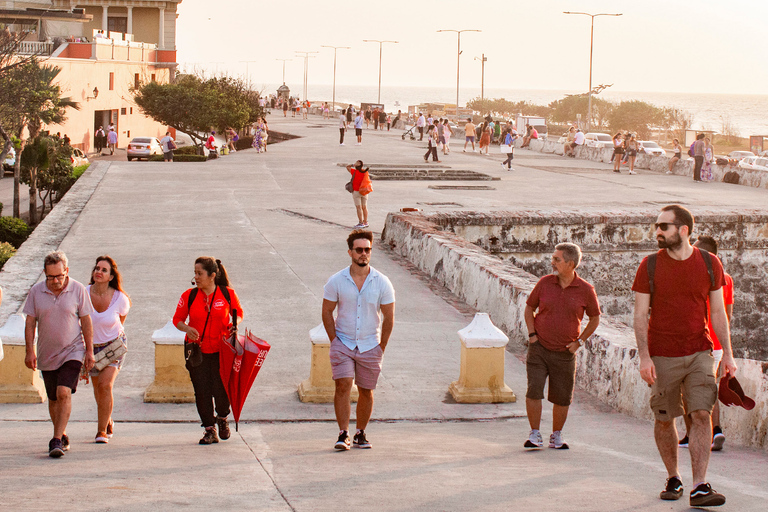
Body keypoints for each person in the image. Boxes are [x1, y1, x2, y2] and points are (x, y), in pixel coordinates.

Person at [632, 205, 737, 508]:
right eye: (657, 226)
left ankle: (700, 486)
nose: (658, 232)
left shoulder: (709, 263)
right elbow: (640, 316)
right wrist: (644, 357)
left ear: (684, 230)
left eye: (663, 226)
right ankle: (673, 476)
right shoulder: (649, 266)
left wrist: (727, 355)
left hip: (700, 352)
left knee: (701, 414)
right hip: (662, 354)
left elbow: (718, 312)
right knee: (665, 419)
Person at [322, 230, 395, 451]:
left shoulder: (382, 282)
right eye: (359, 250)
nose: (364, 254)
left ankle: (360, 433)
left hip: (370, 344)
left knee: (366, 390)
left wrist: (381, 346)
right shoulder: (336, 280)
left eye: (367, 250)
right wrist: (334, 340)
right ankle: (343, 433)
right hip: (343, 342)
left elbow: (389, 317)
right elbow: (327, 311)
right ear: (350, 252)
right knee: (343, 385)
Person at [523, 243, 600, 451]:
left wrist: (579, 342)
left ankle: (556, 435)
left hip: (565, 353)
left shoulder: (585, 290)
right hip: (539, 348)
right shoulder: (545, 283)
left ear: (570, 263)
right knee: (534, 390)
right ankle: (534, 433)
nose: (552, 263)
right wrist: (532, 335)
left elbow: (595, 318)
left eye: (557, 259)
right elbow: (530, 307)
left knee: (562, 396)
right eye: (553, 258)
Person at [24, 251, 94, 458]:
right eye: (50, 277)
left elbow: (86, 322)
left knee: (64, 392)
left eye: (59, 276)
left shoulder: (78, 290)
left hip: (73, 350)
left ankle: (55, 440)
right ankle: (61, 433)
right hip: (47, 353)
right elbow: (30, 322)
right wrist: (30, 350)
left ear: (67, 271)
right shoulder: (36, 292)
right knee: (54, 398)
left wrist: (89, 351)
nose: (55, 281)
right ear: (44, 274)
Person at [174, 257, 243, 445]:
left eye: (199, 273)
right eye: (195, 273)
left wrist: (233, 325)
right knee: (202, 391)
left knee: (222, 391)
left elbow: (238, 313)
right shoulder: (189, 295)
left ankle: (222, 417)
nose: (196, 277)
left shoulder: (227, 294)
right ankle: (209, 429)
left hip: (222, 351)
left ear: (212, 276)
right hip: (197, 352)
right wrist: (187, 328)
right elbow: (177, 320)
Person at [678, 236, 734, 452]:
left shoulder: (692, 277)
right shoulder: (726, 279)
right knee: (710, 387)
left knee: (686, 387)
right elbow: (727, 315)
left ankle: (694, 432)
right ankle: (715, 430)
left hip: (696, 340)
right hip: (718, 344)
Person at [87, 256, 131, 444]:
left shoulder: (120, 298)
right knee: (98, 389)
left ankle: (101, 431)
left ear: (111, 276)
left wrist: (109, 337)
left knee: (106, 385)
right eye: (97, 268)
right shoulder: (83, 293)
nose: (99, 272)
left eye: (104, 270)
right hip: (91, 348)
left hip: (113, 347)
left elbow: (121, 320)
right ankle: (109, 419)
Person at [346, 160, 371, 228]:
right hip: (364, 191)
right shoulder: (365, 172)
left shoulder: (354, 172)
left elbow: (347, 167)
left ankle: (361, 222)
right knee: (364, 207)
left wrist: (353, 165)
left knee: (358, 208)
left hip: (356, 192)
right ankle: (365, 222)